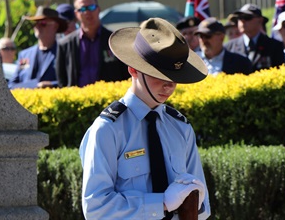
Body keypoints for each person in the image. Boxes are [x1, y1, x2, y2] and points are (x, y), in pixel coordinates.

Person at [79, 17, 211, 219]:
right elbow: (96, 208)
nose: (169, 86)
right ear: (133, 69)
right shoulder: (107, 129)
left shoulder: (180, 127)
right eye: (159, 75)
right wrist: (161, 204)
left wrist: (198, 203)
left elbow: (203, 210)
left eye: (175, 78)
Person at [56, 0, 130, 87]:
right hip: (77, 99)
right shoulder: (65, 44)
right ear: (76, 14)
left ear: (98, 9)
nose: (87, 12)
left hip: (110, 97)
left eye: (91, 7)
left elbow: (126, 75)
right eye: (82, 9)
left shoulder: (116, 39)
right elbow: (62, 81)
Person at [9, 6, 67, 89]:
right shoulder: (25, 54)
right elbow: (11, 85)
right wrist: (32, 86)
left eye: (43, 23)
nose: (37, 27)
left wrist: (51, 85)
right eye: (35, 23)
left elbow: (70, 81)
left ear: (55, 26)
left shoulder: (64, 52)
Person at [224, 3, 285, 71]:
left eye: (247, 17)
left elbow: (278, 74)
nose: (242, 21)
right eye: (240, 18)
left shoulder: (275, 46)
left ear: (260, 20)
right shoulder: (229, 47)